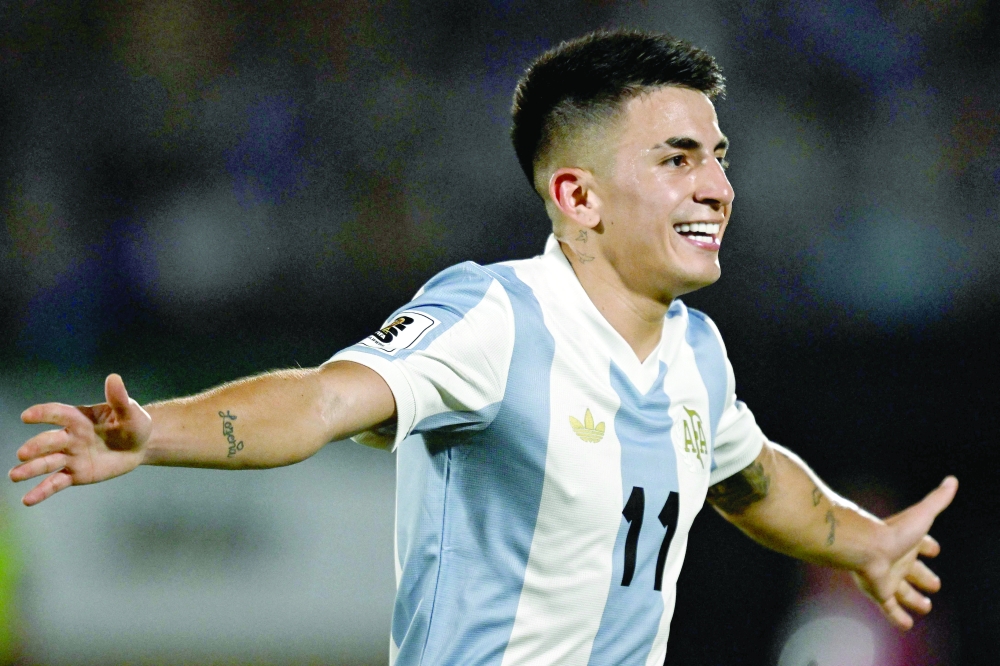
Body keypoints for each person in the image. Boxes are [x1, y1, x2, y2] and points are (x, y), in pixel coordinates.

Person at [9, 30, 956, 665]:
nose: (717, 188)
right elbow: (321, 401)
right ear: (577, 196)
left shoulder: (698, 354)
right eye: (677, 159)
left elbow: (752, 478)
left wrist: (864, 541)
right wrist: (154, 433)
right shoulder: (495, 315)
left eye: (718, 157)